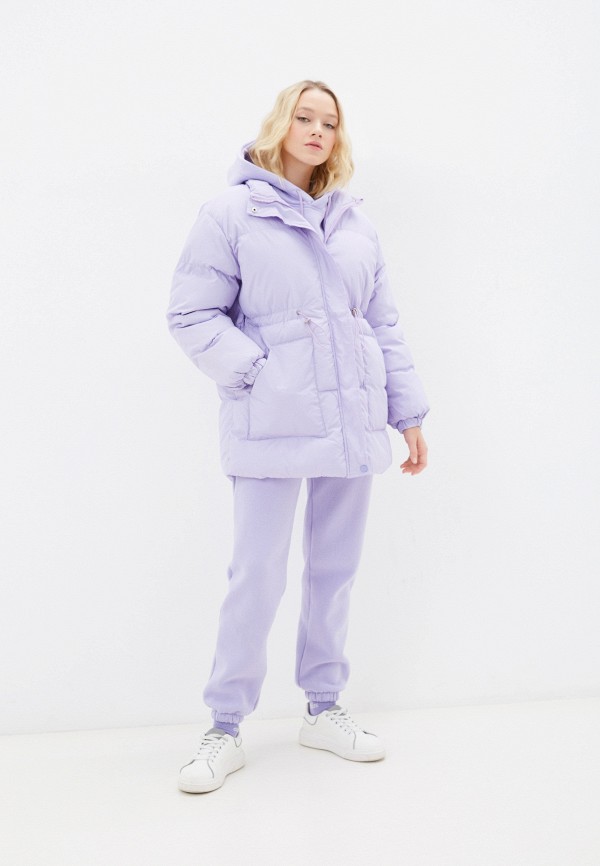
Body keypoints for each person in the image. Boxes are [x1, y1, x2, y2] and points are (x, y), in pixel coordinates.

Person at [166, 79, 430, 794]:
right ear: (280, 124)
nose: (317, 130)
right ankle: (225, 725)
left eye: (330, 122)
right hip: (271, 422)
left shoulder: (354, 222)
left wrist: (407, 414)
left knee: (334, 571)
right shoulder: (231, 213)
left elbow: (382, 322)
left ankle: (323, 708)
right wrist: (257, 374)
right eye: (304, 117)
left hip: (351, 423)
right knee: (257, 573)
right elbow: (191, 314)